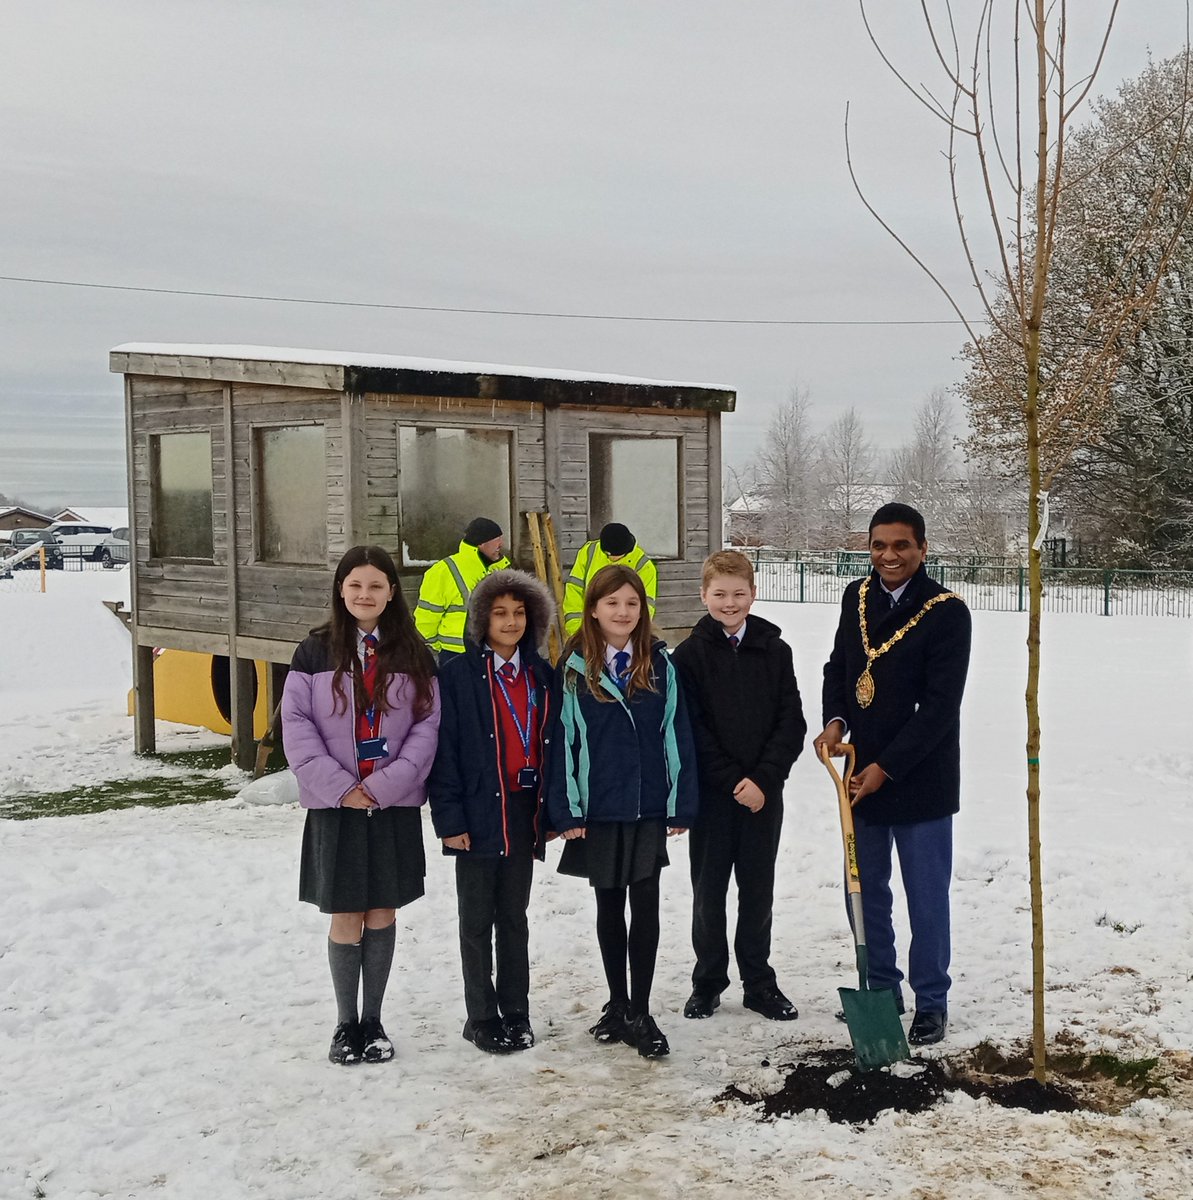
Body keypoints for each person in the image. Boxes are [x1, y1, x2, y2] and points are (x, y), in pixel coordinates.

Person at [813, 503, 971, 1046]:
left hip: (919, 778)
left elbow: (941, 708)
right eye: (879, 545)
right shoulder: (856, 596)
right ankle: (880, 988)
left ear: (923, 549)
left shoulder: (947, 612)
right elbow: (840, 665)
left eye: (901, 545)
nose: (889, 556)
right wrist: (835, 721)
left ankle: (931, 1000)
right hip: (859, 772)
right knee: (864, 892)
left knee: (926, 896)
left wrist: (888, 767)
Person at [283, 545, 441, 1066]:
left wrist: (387, 784)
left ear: (392, 592)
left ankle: (374, 1020)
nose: (364, 595)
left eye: (375, 586)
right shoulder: (314, 652)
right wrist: (340, 787)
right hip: (337, 807)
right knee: (346, 912)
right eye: (355, 585)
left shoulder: (414, 654)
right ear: (341, 590)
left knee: (382, 910)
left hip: (390, 805)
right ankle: (345, 1023)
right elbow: (298, 728)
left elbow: (426, 727)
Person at [546, 563, 698, 1058]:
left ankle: (642, 1008)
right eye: (612, 603)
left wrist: (680, 801)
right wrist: (567, 809)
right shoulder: (573, 669)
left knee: (646, 905)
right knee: (609, 905)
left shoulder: (659, 664)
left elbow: (677, 736)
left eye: (632, 603)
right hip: (600, 809)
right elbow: (563, 743)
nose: (623, 612)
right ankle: (617, 1002)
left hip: (647, 807)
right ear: (593, 609)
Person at [671, 550, 807, 1022]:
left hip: (763, 798)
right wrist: (732, 782)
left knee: (757, 888)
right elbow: (691, 728)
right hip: (714, 798)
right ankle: (707, 980)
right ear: (703, 594)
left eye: (739, 593)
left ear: (753, 593)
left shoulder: (775, 650)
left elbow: (791, 721)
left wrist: (764, 780)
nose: (730, 603)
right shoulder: (688, 656)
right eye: (720, 594)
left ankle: (758, 981)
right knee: (709, 891)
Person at [428, 569, 556, 1056]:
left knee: (514, 917)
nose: (510, 621)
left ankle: (516, 1011)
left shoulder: (541, 676)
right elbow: (445, 752)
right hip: (478, 812)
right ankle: (480, 1015)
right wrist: (451, 821)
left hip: (524, 813)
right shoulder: (457, 676)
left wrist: (553, 813)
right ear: (481, 619)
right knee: (477, 919)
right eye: (500, 613)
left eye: (520, 612)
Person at [414, 517, 511, 657]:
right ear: (482, 543)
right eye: (497, 539)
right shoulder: (443, 571)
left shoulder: (500, 570)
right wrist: (439, 647)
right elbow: (426, 619)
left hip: (493, 655)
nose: (501, 544)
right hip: (457, 656)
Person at [562, 522, 657, 636]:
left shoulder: (644, 566)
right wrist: (578, 631)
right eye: (608, 555)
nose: (612, 559)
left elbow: (646, 606)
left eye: (617, 556)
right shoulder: (589, 552)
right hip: (587, 632)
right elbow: (574, 591)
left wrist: (627, 637)